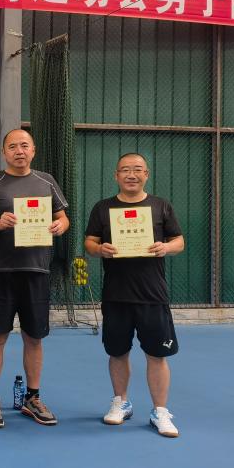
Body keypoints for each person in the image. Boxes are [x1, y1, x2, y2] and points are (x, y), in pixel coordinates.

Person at [83, 152, 185, 438]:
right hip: (116, 295)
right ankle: (121, 402)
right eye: (125, 170)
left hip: (152, 294)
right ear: (116, 175)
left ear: (146, 175)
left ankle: (160, 411)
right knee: (117, 352)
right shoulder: (103, 208)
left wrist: (166, 247)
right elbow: (89, 242)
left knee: (157, 354)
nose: (131, 175)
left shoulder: (161, 206)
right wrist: (99, 249)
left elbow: (179, 241)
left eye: (137, 169)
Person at [0, 129, 69, 428]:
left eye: (24, 145)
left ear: (33, 150)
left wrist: (60, 226)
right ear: (5, 152)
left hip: (37, 271)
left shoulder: (46, 181)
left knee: (34, 337)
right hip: (1, 272)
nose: (19, 151)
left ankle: (33, 397)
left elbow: (63, 217)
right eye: (13, 146)